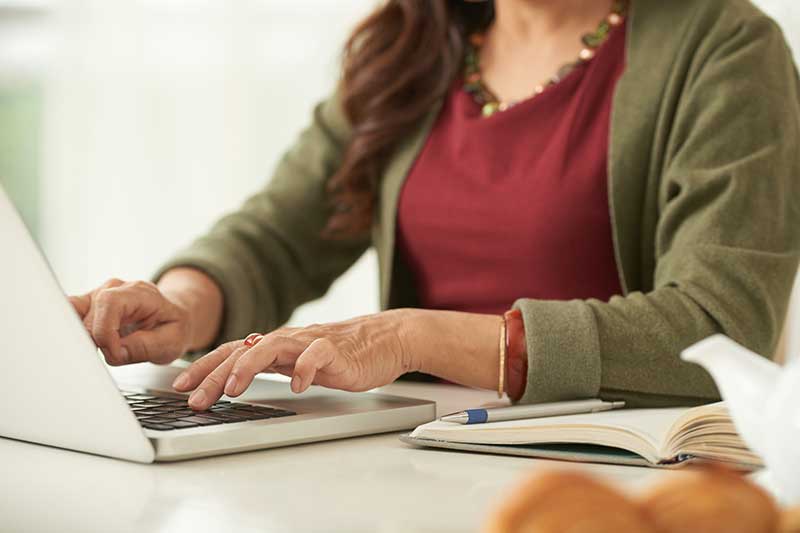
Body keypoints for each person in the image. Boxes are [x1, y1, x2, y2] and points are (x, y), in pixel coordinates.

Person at [70, 0, 800, 412]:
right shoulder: (412, 44)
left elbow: (720, 328)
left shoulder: (728, 48)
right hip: (418, 460)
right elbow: (275, 236)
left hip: (614, 482)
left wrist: (411, 337)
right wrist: (179, 305)